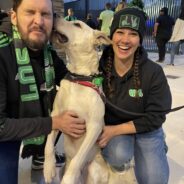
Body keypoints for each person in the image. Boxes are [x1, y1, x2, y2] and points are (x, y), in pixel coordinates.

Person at [0, 0, 85, 183]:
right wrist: (53, 123)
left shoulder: (47, 52)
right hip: (4, 130)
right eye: (30, 12)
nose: (38, 21)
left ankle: (40, 151)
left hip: (32, 119)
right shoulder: (2, 51)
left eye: (45, 14)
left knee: (68, 103)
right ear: (13, 17)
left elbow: (72, 80)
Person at [99, 7, 172, 184]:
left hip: (147, 128)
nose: (125, 40)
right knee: (118, 156)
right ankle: (128, 148)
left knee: (155, 180)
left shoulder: (154, 72)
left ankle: (158, 143)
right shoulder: (97, 69)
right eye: (120, 32)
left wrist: (114, 130)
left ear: (140, 39)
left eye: (133, 34)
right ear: (111, 36)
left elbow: (156, 116)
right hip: (115, 127)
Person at [169, 0, 184, 65]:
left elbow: (176, 30)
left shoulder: (179, 20)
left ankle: (171, 62)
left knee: (173, 47)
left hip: (179, 34)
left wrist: (173, 37)